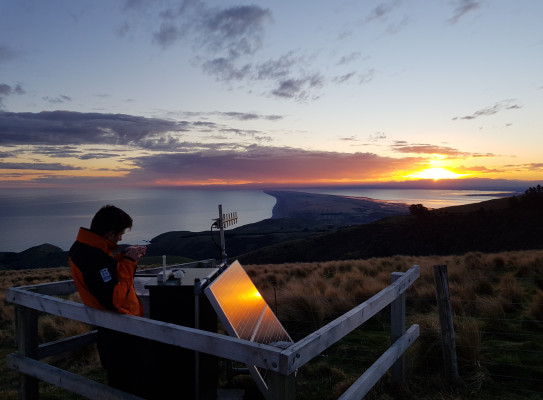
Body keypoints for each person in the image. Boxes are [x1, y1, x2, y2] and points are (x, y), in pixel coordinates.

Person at [69, 205, 150, 397]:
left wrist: (123, 258)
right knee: (128, 387)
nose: (121, 239)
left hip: (119, 331)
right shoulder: (91, 256)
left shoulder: (90, 250)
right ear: (109, 232)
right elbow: (114, 298)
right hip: (119, 335)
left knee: (126, 384)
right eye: (119, 234)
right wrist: (129, 262)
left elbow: (108, 278)